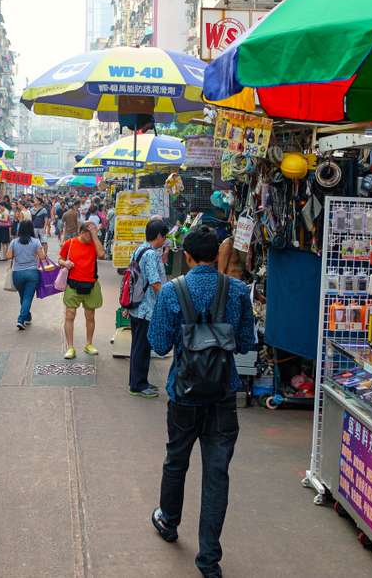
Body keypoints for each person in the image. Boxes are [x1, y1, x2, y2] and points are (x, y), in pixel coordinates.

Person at [147, 226, 255, 578]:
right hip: (224, 394)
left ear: (189, 257)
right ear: (217, 256)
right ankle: (209, 560)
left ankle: (169, 521)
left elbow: (159, 343)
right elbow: (244, 342)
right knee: (216, 476)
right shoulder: (238, 291)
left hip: (184, 394)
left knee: (176, 460)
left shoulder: (173, 292)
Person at [128, 219, 168, 398]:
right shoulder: (150, 254)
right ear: (159, 235)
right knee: (142, 347)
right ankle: (138, 385)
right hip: (146, 308)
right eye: (164, 236)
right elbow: (155, 283)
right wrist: (168, 300)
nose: (165, 240)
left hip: (136, 306)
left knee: (138, 346)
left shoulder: (140, 249)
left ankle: (139, 381)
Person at [59, 222, 105, 359]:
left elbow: (102, 254)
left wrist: (95, 236)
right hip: (73, 284)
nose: (89, 236)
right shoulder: (70, 243)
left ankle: (89, 344)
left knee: (90, 315)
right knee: (69, 314)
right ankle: (70, 347)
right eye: (87, 233)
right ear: (81, 232)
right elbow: (60, 258)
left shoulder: (94, 243)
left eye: (91, 233)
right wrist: (65, 263)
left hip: (91, 284)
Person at [7, 220, 47, 331]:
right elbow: (42, 257)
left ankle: (27, 317)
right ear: (31, 229)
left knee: (23, 297)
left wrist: (17, 252)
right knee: (27, 298)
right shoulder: (35, 242)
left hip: (17, 273)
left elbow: (9, 255)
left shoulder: (14, 242)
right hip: (32, 273)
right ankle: (21, 319)